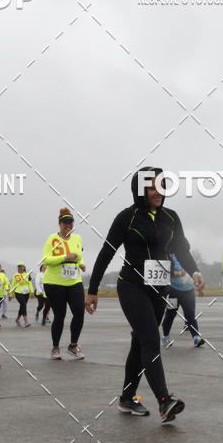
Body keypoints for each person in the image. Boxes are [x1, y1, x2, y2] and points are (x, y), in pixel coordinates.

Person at [86, 167, 204, 423]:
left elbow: (181, 249)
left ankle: (127, 398)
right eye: (152, 187)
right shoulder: (126, 218)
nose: (158, 192)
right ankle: (164, 401)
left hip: (159, 288)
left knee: (140, 343)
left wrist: (194, 271)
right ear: (139, 190)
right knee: (151, 340)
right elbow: (106, 252)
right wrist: (93, 289)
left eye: (161, 186)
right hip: (132, 287)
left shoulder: (171, 217)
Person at [42, 209, 86, 359]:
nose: (68, 225)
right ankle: (55, 347)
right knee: (60, 315)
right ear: (59, 224)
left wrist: (81, 263)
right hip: (54, 283)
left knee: (79, 312)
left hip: (74, 281)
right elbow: (46, 260)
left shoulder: (77, 238)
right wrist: (65, 257)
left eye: (70, 222)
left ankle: (73, 346)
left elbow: (79, 255)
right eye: (65, 222)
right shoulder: (52, 239)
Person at [161, 253, 205, 348]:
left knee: (190, 314)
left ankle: (196, 337)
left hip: (188, 290)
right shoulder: (168, 255)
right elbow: (165, 272)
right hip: (174, 291)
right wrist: (179, 274)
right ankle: (165, 337)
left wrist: (199, 288)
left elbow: (193, 271)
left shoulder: (185, 255)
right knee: (170, 314)